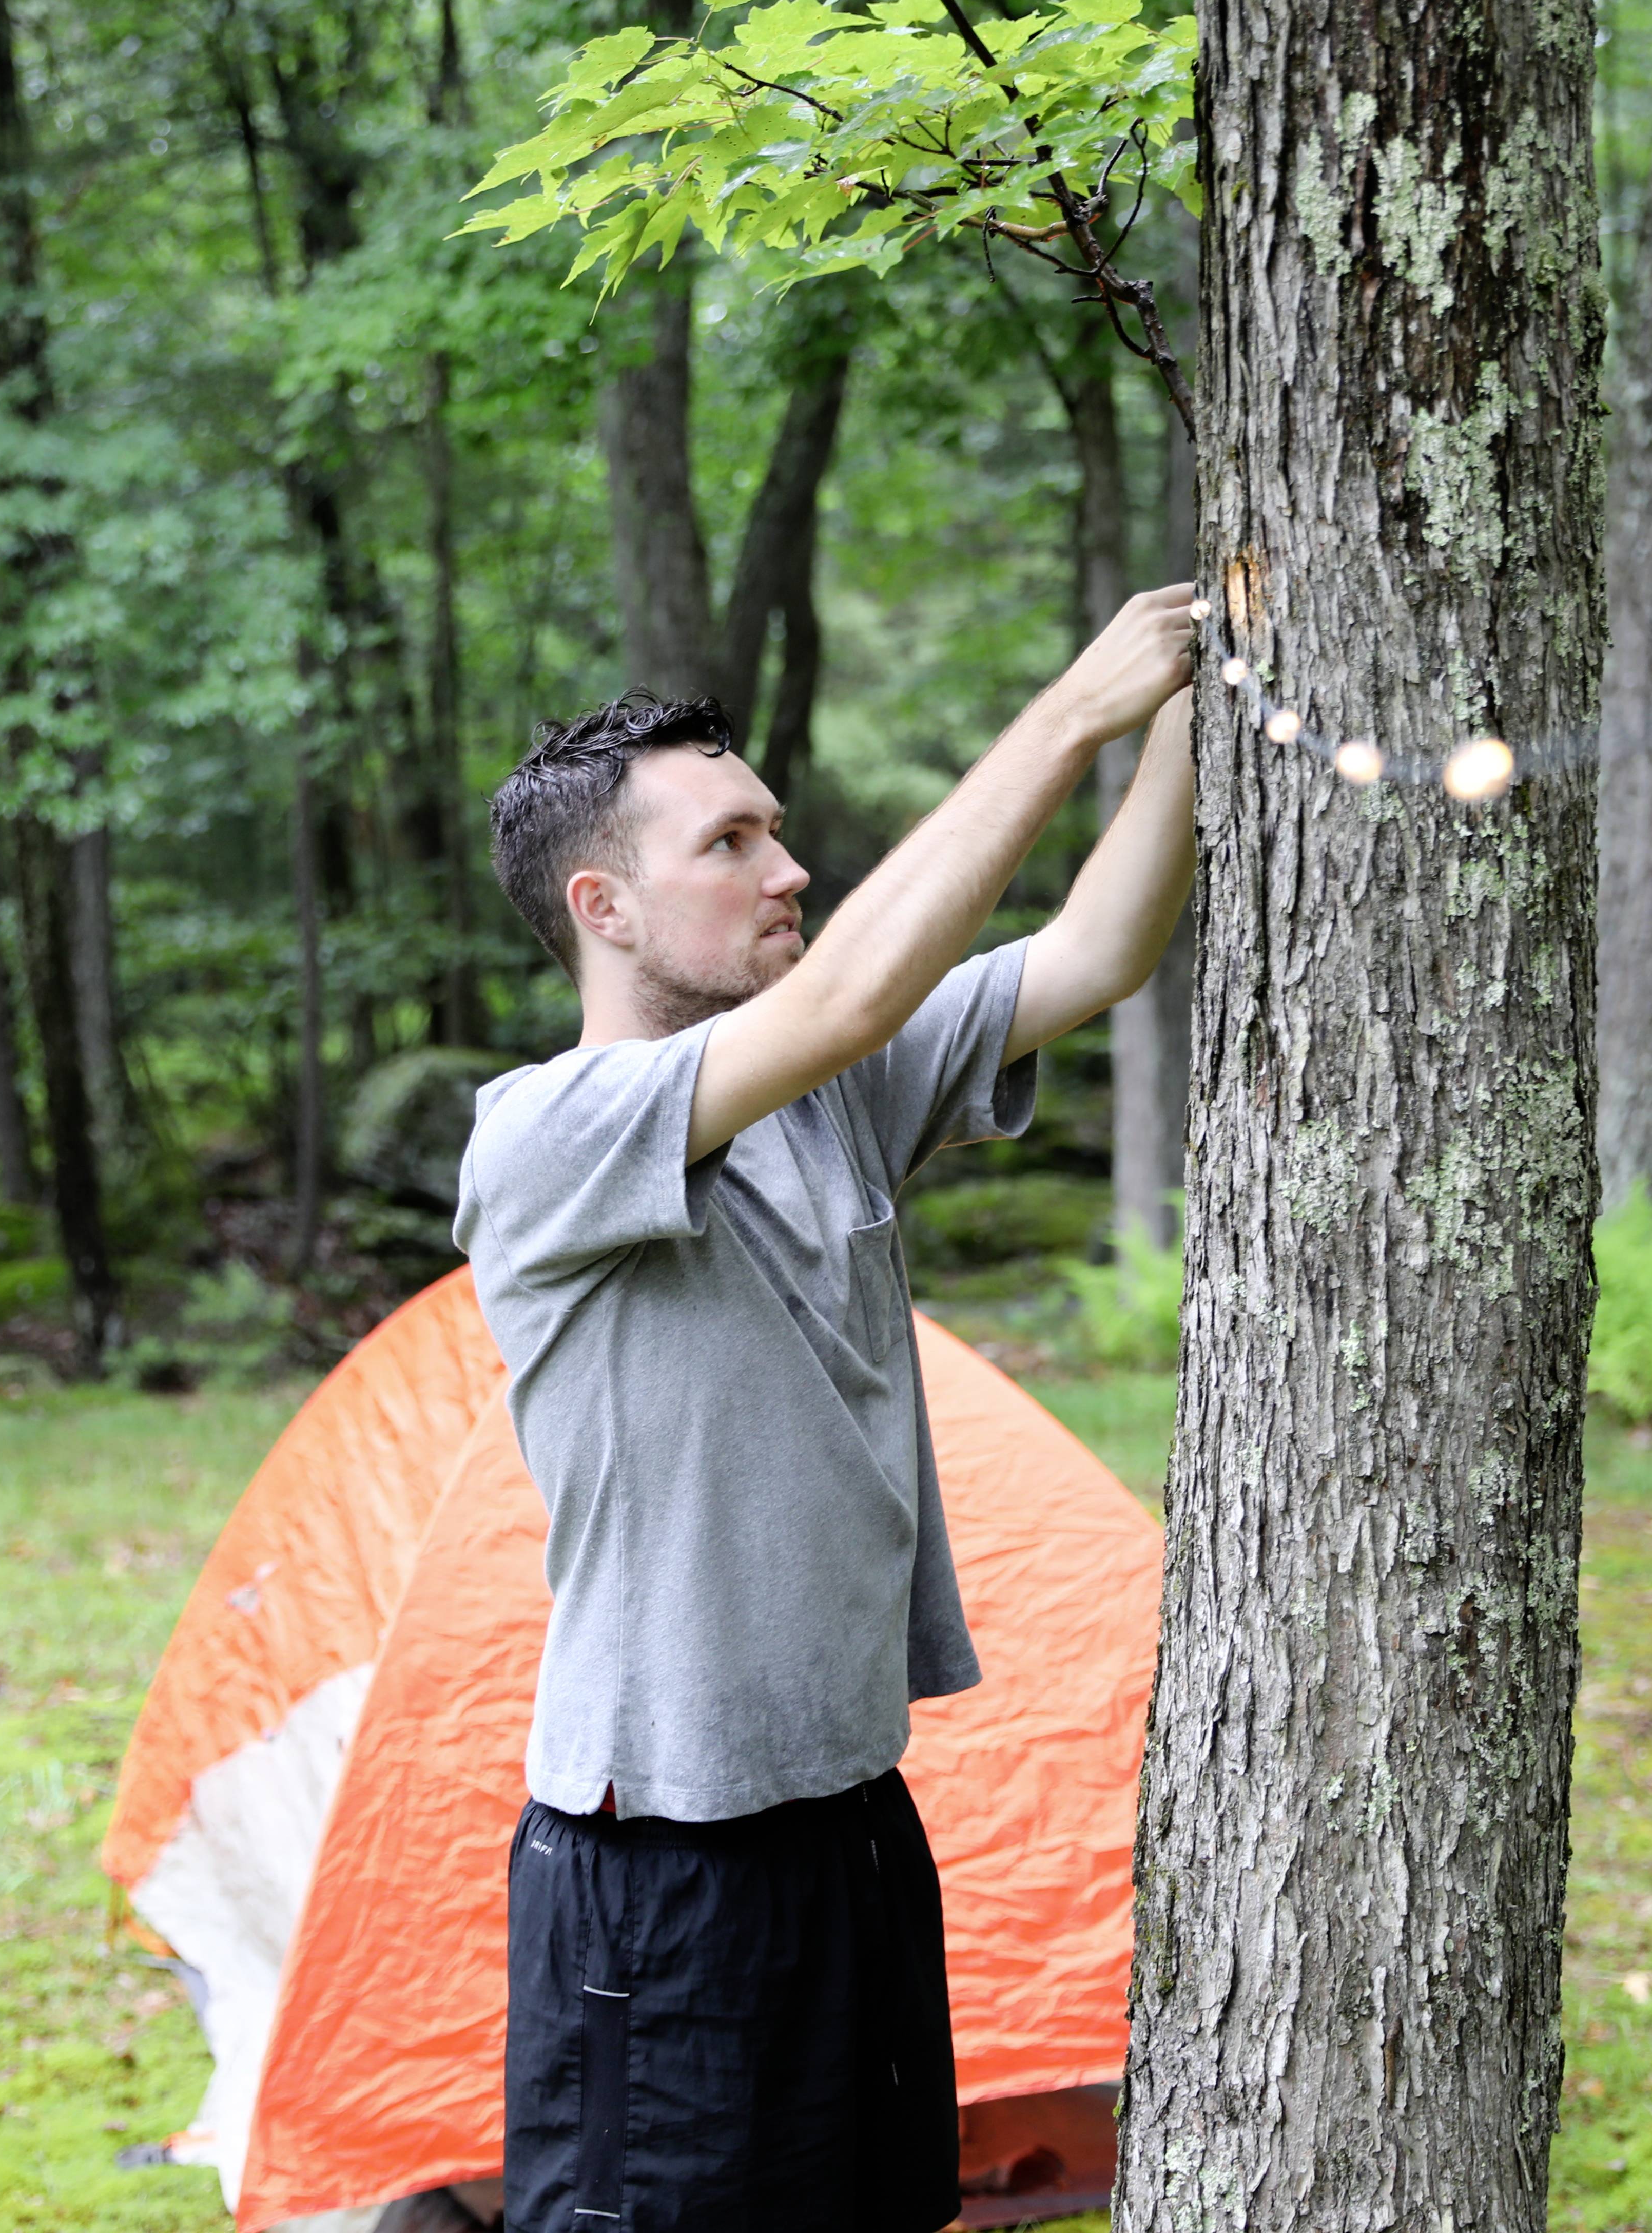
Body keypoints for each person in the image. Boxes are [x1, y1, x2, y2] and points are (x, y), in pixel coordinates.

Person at [451, 582, 1202, 2233]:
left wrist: (1188, 712)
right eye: (730, 844)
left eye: (778, 831)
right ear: (606, 905)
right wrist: (1075, 706)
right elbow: (854, 991)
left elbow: (1096, 951)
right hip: (663, 1872)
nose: (788, 870)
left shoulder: (831, 1096)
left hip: (853, 1820)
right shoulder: (547, 1136)